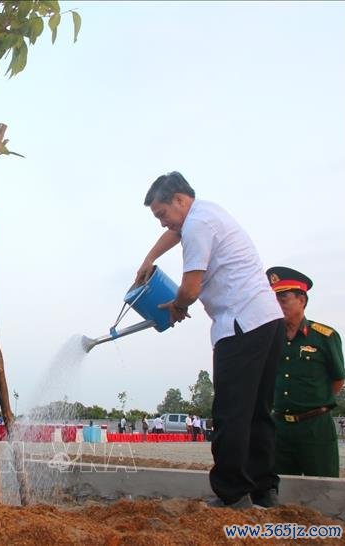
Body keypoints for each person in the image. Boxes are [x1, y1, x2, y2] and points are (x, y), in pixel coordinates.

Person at [136, 171, 284, 509]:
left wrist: (176, 307)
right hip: (267, 320)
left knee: (232, 412)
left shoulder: (198, 227)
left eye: (161, 214)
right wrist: (149, 259)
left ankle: (232, 494)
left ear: (180, 200)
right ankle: (264, 490)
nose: (161, 224)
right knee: (259, 411)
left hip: (241, 324)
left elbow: (190, 288)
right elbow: (174, 232)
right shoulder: (206, 212)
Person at [266, 266, 345, 477]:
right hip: (280, 427)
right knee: (279, 490)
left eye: (283, 299)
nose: (278, 305)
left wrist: (313, 402)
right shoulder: (271, 338)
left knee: (322, 489)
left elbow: (338, 379)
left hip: (315, 427)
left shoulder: (324, 336)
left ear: (301, 300)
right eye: (274, 299)